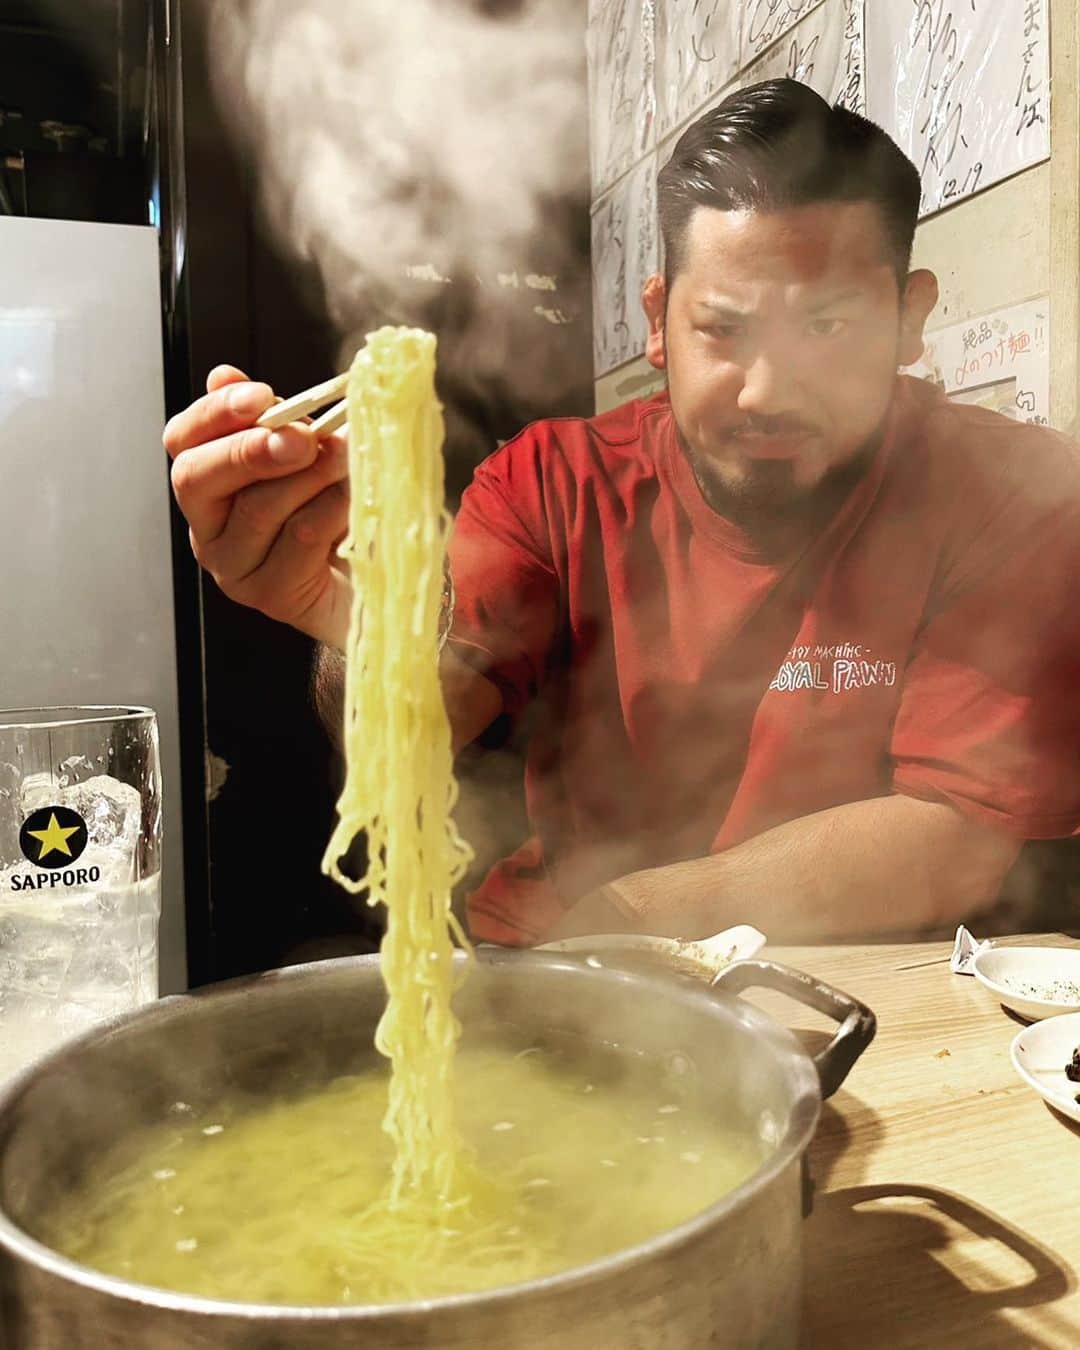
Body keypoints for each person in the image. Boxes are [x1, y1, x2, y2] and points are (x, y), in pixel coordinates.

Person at [164, 79, 1080, 947]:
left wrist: (633, 918)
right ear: (657, 319)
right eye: (723, 329)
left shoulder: (1006, 489)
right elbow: (419, 722)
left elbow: (961, 831)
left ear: (910, 317)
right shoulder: (555, 482)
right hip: (556, 959)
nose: (767, 390)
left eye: (828, 326)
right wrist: (362, 623)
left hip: (863, 985)